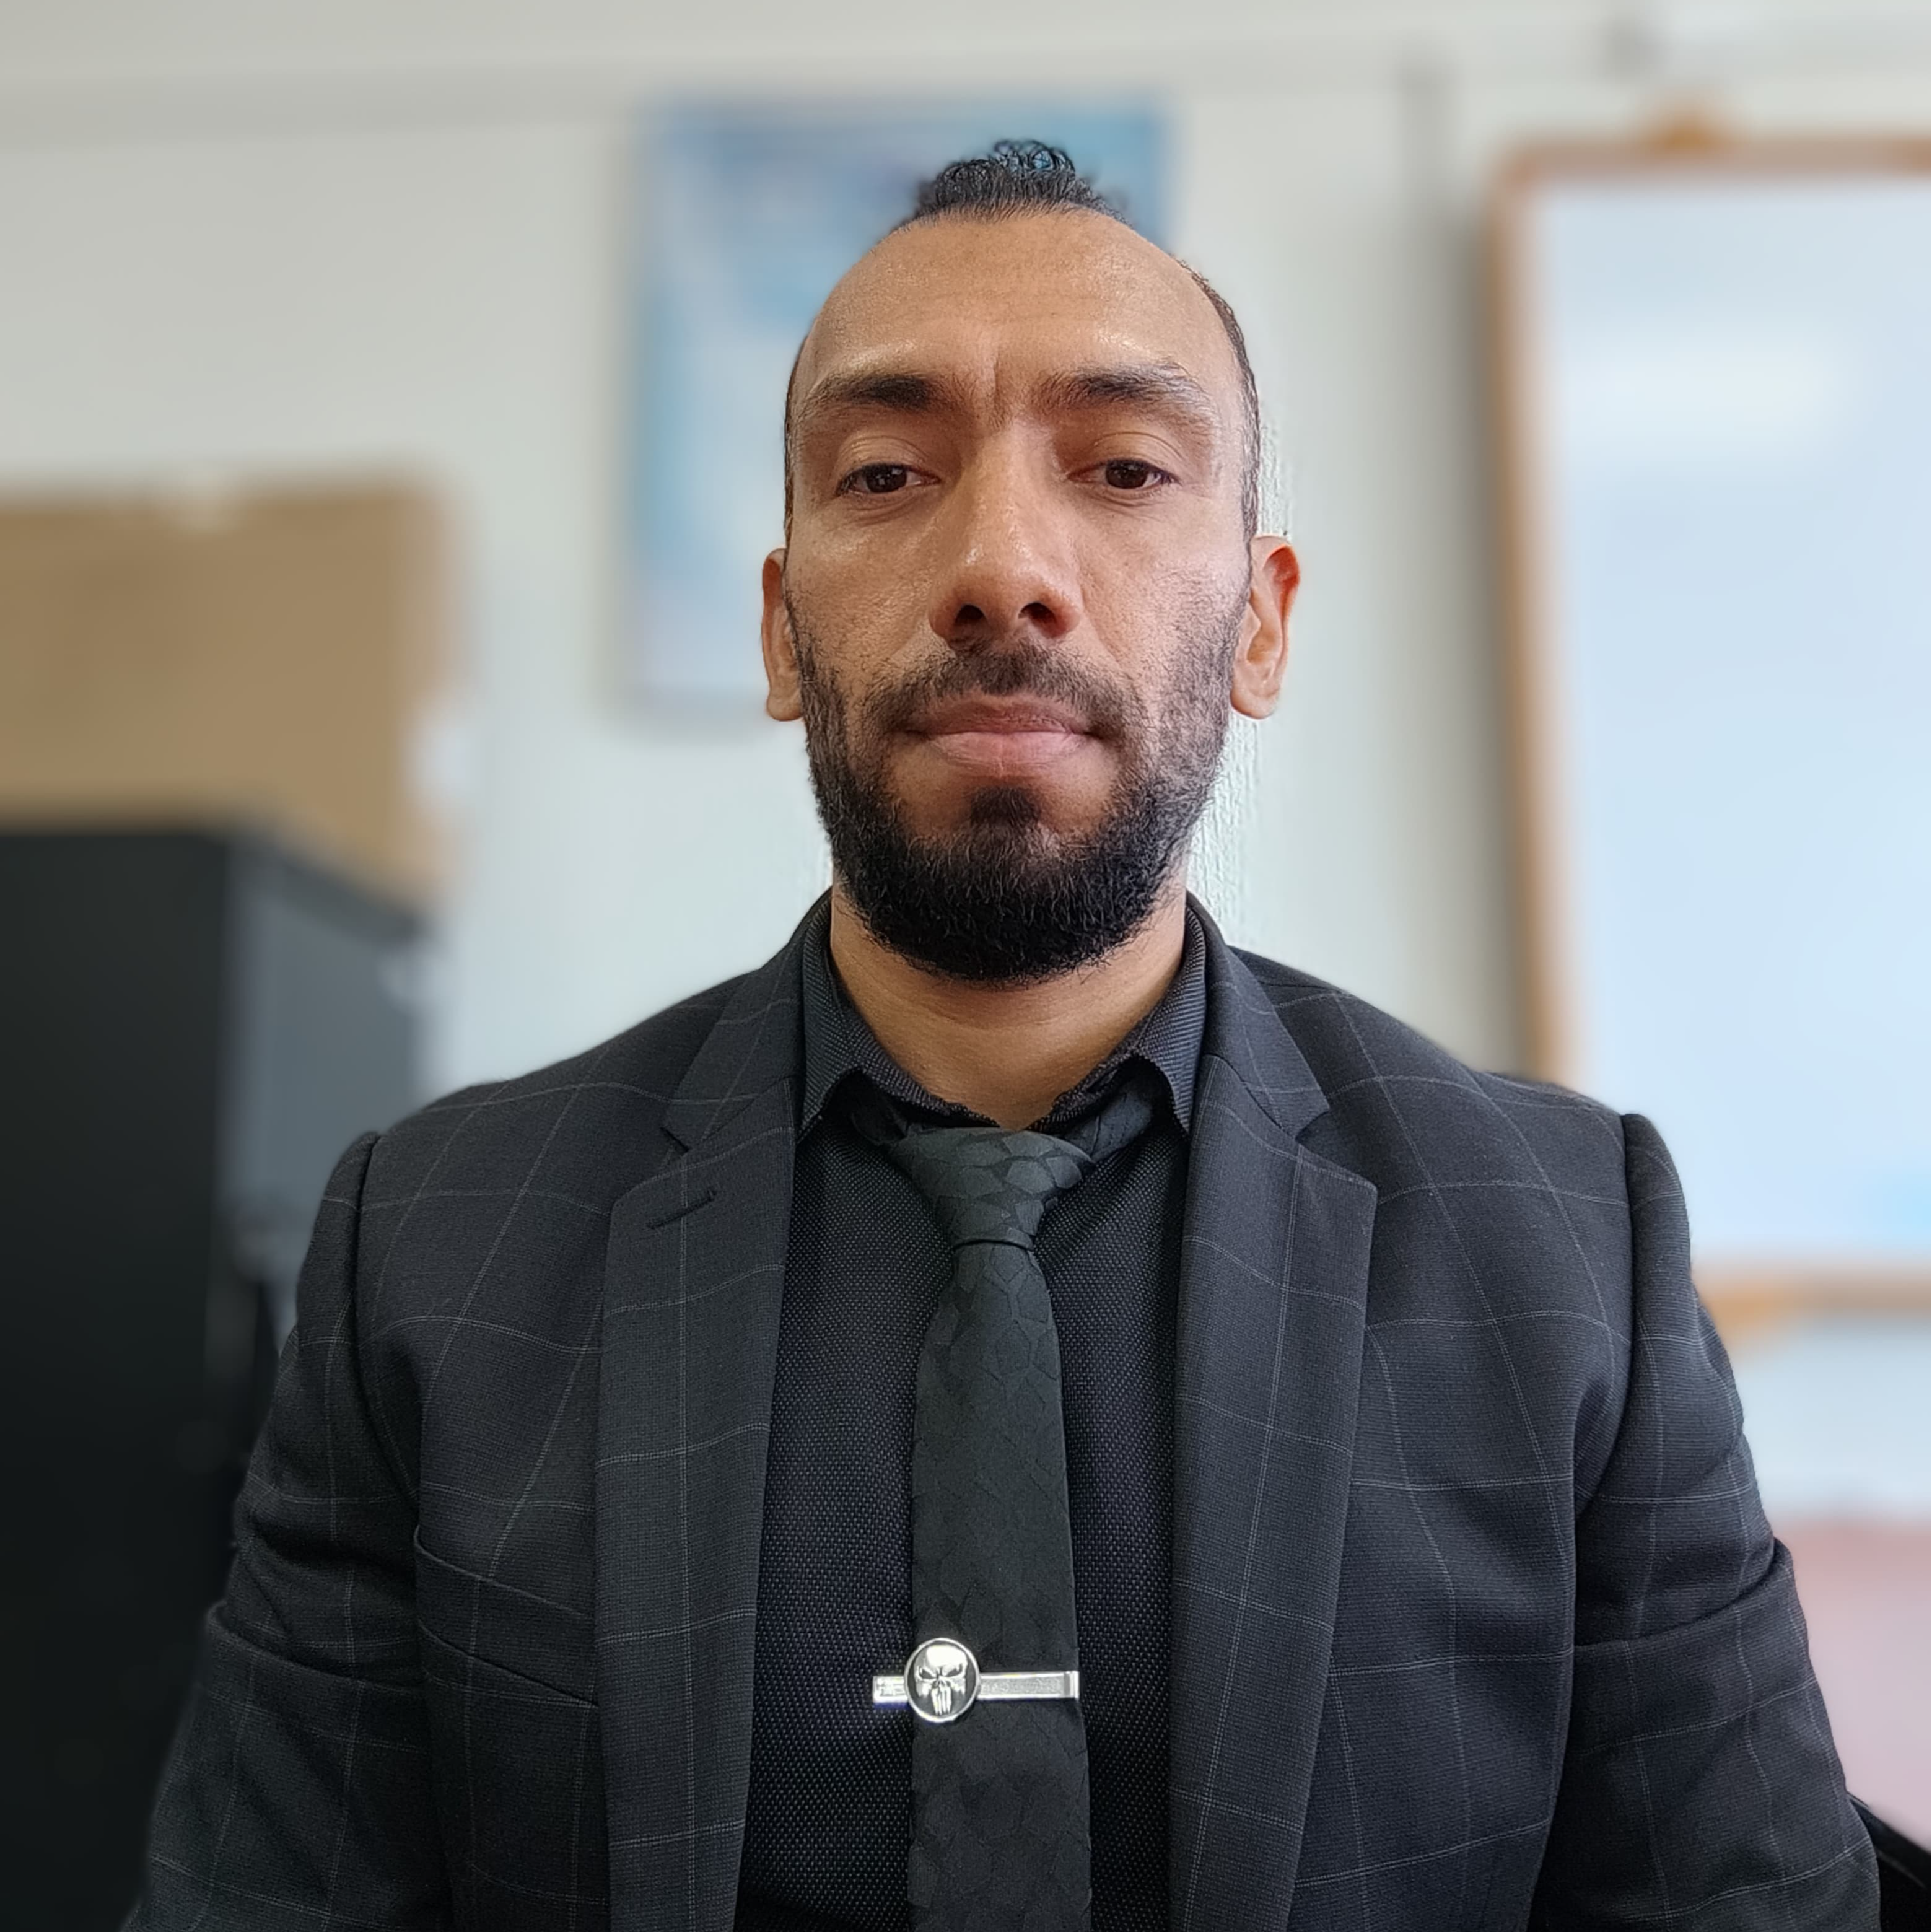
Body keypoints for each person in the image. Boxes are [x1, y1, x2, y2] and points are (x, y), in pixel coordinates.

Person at [131, 143, 1878, 1932]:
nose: (1001, 568)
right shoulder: (433, 1249)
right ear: (781, 630)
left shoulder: (1570, 1251)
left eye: (1121, 468)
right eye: (887, 474)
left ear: (1261, 622)